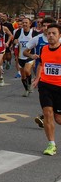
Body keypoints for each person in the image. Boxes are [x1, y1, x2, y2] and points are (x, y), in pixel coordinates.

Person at [32, 23, 61, 156]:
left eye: (53, 33)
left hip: (59, 88)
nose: (50, 35)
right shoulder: (44, 49)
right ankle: (51, 145)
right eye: (48, 33)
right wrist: (37, 78)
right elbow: (42, 65)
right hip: (45, 86)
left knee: (59, 119)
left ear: (59, 35)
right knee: (48, 114)